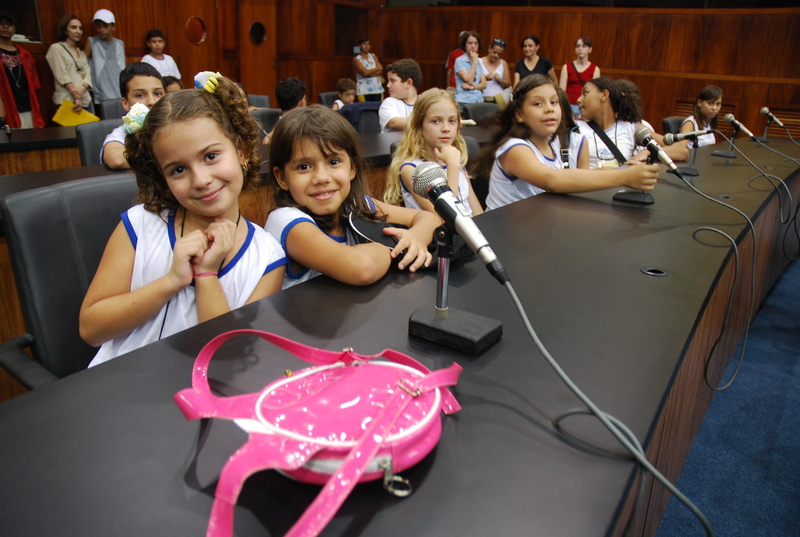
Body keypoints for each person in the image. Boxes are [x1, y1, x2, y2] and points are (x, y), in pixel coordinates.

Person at [80, 74, 287, 367]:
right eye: (178, 170)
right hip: (117, 384)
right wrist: (172, 281)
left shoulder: (267, 257)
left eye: (211, 156)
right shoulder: (139, 225)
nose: (201, 180)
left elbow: (229, 357)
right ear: (162, 176)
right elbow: (91, 329)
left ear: (241, 150)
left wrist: (206, 275)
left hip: (207, 388)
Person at [265, 105, 440, 288]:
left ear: (352, 168)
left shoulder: (355, 204)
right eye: (304, 167)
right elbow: (362, 268)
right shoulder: (285, 220)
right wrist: (397, 243)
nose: (322, 178)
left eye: (333, 162)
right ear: (282, 178)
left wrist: (416, 237)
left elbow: (429, 217)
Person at [474, 75, 658, 211]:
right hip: (503, 239)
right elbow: (552, 180)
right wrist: (624, 177)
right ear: (519, 114)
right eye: (538, 104)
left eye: (554, 102)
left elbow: (584, 175)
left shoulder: (555, 144)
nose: (549, 109)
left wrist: (626, 170)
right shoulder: (514, 148)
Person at [385, 88, 483, 217]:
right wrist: (452, 166)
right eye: (436, 121)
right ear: (419, 125)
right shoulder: (411, 170)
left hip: (468, 228)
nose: (446, 128)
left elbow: (479, 214)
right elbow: (449, 217)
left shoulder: (455, 160)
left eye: (452, 121)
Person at [577, 77, 680, 168]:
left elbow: (680, 150)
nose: (578, 100)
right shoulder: (575, 128)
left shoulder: (631, 127)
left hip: (621, 183)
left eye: (585, 93)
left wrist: (648, 152)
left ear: (604, 95)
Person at [101, 62, 166, 169]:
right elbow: (117, 160)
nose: (152, 101)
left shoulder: (176, 126)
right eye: (140, 95)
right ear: (125, 103)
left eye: (158, 94)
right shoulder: (121, 134)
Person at [0, 10, 44, 128]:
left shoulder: (25, 54)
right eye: (1, 23)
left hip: (28, 108)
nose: (5, 26)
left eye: (9, 24)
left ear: (14, 29)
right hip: (6, 109)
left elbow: (34, 86)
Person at [46, 14, 92, 114]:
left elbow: (87, 75)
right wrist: (77, 97)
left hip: (85, 100)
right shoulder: (56, 48)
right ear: (65, 30)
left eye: (80, 28)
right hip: (67, 101)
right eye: (73, 27)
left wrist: (83, 88)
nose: (78, 31)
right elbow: (62, 75)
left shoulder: (81, 53)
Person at [84, 9, 125, 107]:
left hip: (119, 91)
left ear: (113, 27)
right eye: (98, 26)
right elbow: (82, 63)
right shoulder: (92, 41)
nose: (101, 29)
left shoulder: (120, 44)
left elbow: (124, 66)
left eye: (105, 26)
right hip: (101, 93)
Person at [559, 36, 600, 119]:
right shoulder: (567, 67)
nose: (580, 49)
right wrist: (565, 110)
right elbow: (561, 92)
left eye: (584, 46)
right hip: (568, 106)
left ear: (590, 49)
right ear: (575, 49)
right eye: (578, 46)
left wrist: (586, 111)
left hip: (585, 106)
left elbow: (594, 93)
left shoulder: (595, 69)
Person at [379, 58, 421, 132]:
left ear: (408, 83)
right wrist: (428, 123)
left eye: (392, 81)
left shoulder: (426, 102)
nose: (388, 85)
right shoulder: (389, 102)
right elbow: (394, 123)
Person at [677, 85, 723, 152]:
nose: (714, 108)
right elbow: (680, 148)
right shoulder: (690, 123)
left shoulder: (708, 121)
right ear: (699, 102)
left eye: (718, 104)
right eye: (710, 103)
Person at [454, 31, 487, 104]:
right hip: (464, 100)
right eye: (470, 43)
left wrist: (472, 87)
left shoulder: (478, 61)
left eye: (476, 43)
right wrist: (474, 63)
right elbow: (469, 80)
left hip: (478, 100)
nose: (473, 46)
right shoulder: (460, 60)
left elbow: (484, 84)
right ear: (465, 45)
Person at [353, 38, 382, 102]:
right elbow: (365, 73)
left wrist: (369, 72)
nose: (366, 46)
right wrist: (376, 69)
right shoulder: (357, 59)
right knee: (365, 107)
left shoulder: (373, 56)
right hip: (364, 90)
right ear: (360, 46)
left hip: (377, 88)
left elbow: (381, 69)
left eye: (368, 44)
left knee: (377, 107)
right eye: (364, 44)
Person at [445, 31, 467, 95]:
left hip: (467, 87)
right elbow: (449, 71)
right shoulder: (453, 54)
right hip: (454, 86)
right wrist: (448, 86)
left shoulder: (473, 55)